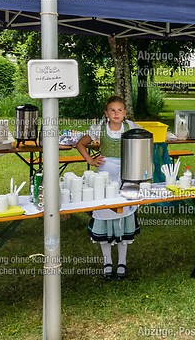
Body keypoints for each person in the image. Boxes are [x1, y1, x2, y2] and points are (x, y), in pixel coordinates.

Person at [76, 95, 141, 280]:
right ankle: (107, 261)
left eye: (120, 110)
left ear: (125, 112)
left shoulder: (131, 127)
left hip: (126, 176)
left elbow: (144, 143)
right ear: (106, 113)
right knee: (104, 214)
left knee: (123, 214)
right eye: (112, 110)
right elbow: (80, 143)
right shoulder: (100, 128)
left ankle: (122, 262)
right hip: (104, 178)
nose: (116, 113)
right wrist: (90, 159)